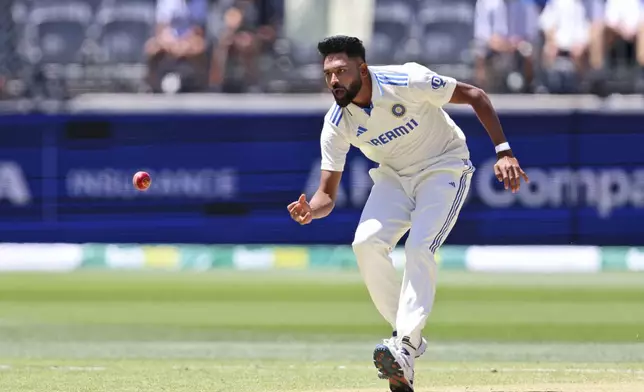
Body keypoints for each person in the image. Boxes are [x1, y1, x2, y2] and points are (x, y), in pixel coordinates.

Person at [286, 35, 529, 392]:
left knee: (419, 248)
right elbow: (326, 195)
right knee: (365, 243)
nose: (334, 81)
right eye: (328, 74)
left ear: (362, 69)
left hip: (444, 167)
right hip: (394, 177)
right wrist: (311, 211)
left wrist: (504, 151)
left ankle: (405, 344)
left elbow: (476, 95)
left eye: (341, 71)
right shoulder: (337, 121)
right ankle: (406, 346)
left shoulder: (406, 80)